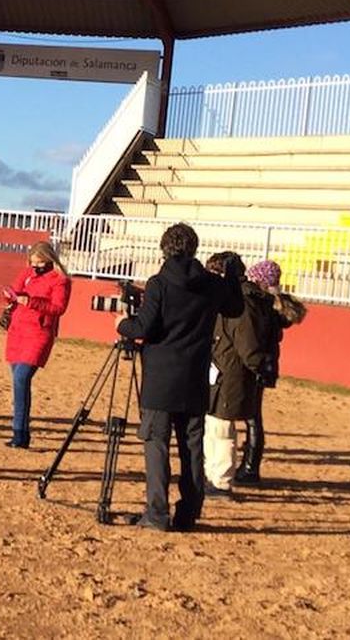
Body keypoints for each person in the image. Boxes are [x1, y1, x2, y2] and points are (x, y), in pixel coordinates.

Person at [116, 222, 239, 532]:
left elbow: (144, 328)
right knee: (192, 447)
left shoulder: (159, 283)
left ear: (164, 249)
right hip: (195, 376)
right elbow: (235, 307)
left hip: (160, 378)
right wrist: (234, 276)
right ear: (195, 248)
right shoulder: (211, 285)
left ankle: (157, 513)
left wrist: (122, 323)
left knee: (156, 443)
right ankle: (188, 514)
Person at [202, 252, 273, 498]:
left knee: (222, 428)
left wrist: (256, 366)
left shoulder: (240, 303)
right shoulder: (232, 299)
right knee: (214, 425)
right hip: (222, 370)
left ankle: (220, 481)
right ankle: (213, 475)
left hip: (230, 373)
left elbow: (248, 346)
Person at [238, 259, 307, 484]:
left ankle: (250, 466)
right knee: (253, 416)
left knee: (252, 417)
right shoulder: (272, 306)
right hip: (266, 364)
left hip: (258, 364)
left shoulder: (263, 306)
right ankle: (250, 463)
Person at [2, 241, 71, 449]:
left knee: (21, 379)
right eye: (33, 263)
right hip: (18, 330)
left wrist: (30, 302)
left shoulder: (60, 280)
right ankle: (21, 433)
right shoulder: (27, 273)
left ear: (49, 260)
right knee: (18, 381)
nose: (36, 266)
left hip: (38, 332)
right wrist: (9, 297)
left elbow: (58, 308)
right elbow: (14, 291)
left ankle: (19, 433)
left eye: (40, 262)